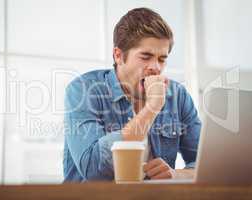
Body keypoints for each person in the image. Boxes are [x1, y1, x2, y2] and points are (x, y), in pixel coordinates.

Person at [63, 7, 201, 182]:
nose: (156, 68)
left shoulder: (178, 96)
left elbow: (206, 164)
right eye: (146, 56)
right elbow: (93, 169)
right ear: (118, 55)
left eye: (162, 59)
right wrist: (151, 108)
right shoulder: (83, 90)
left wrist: (176, 175)